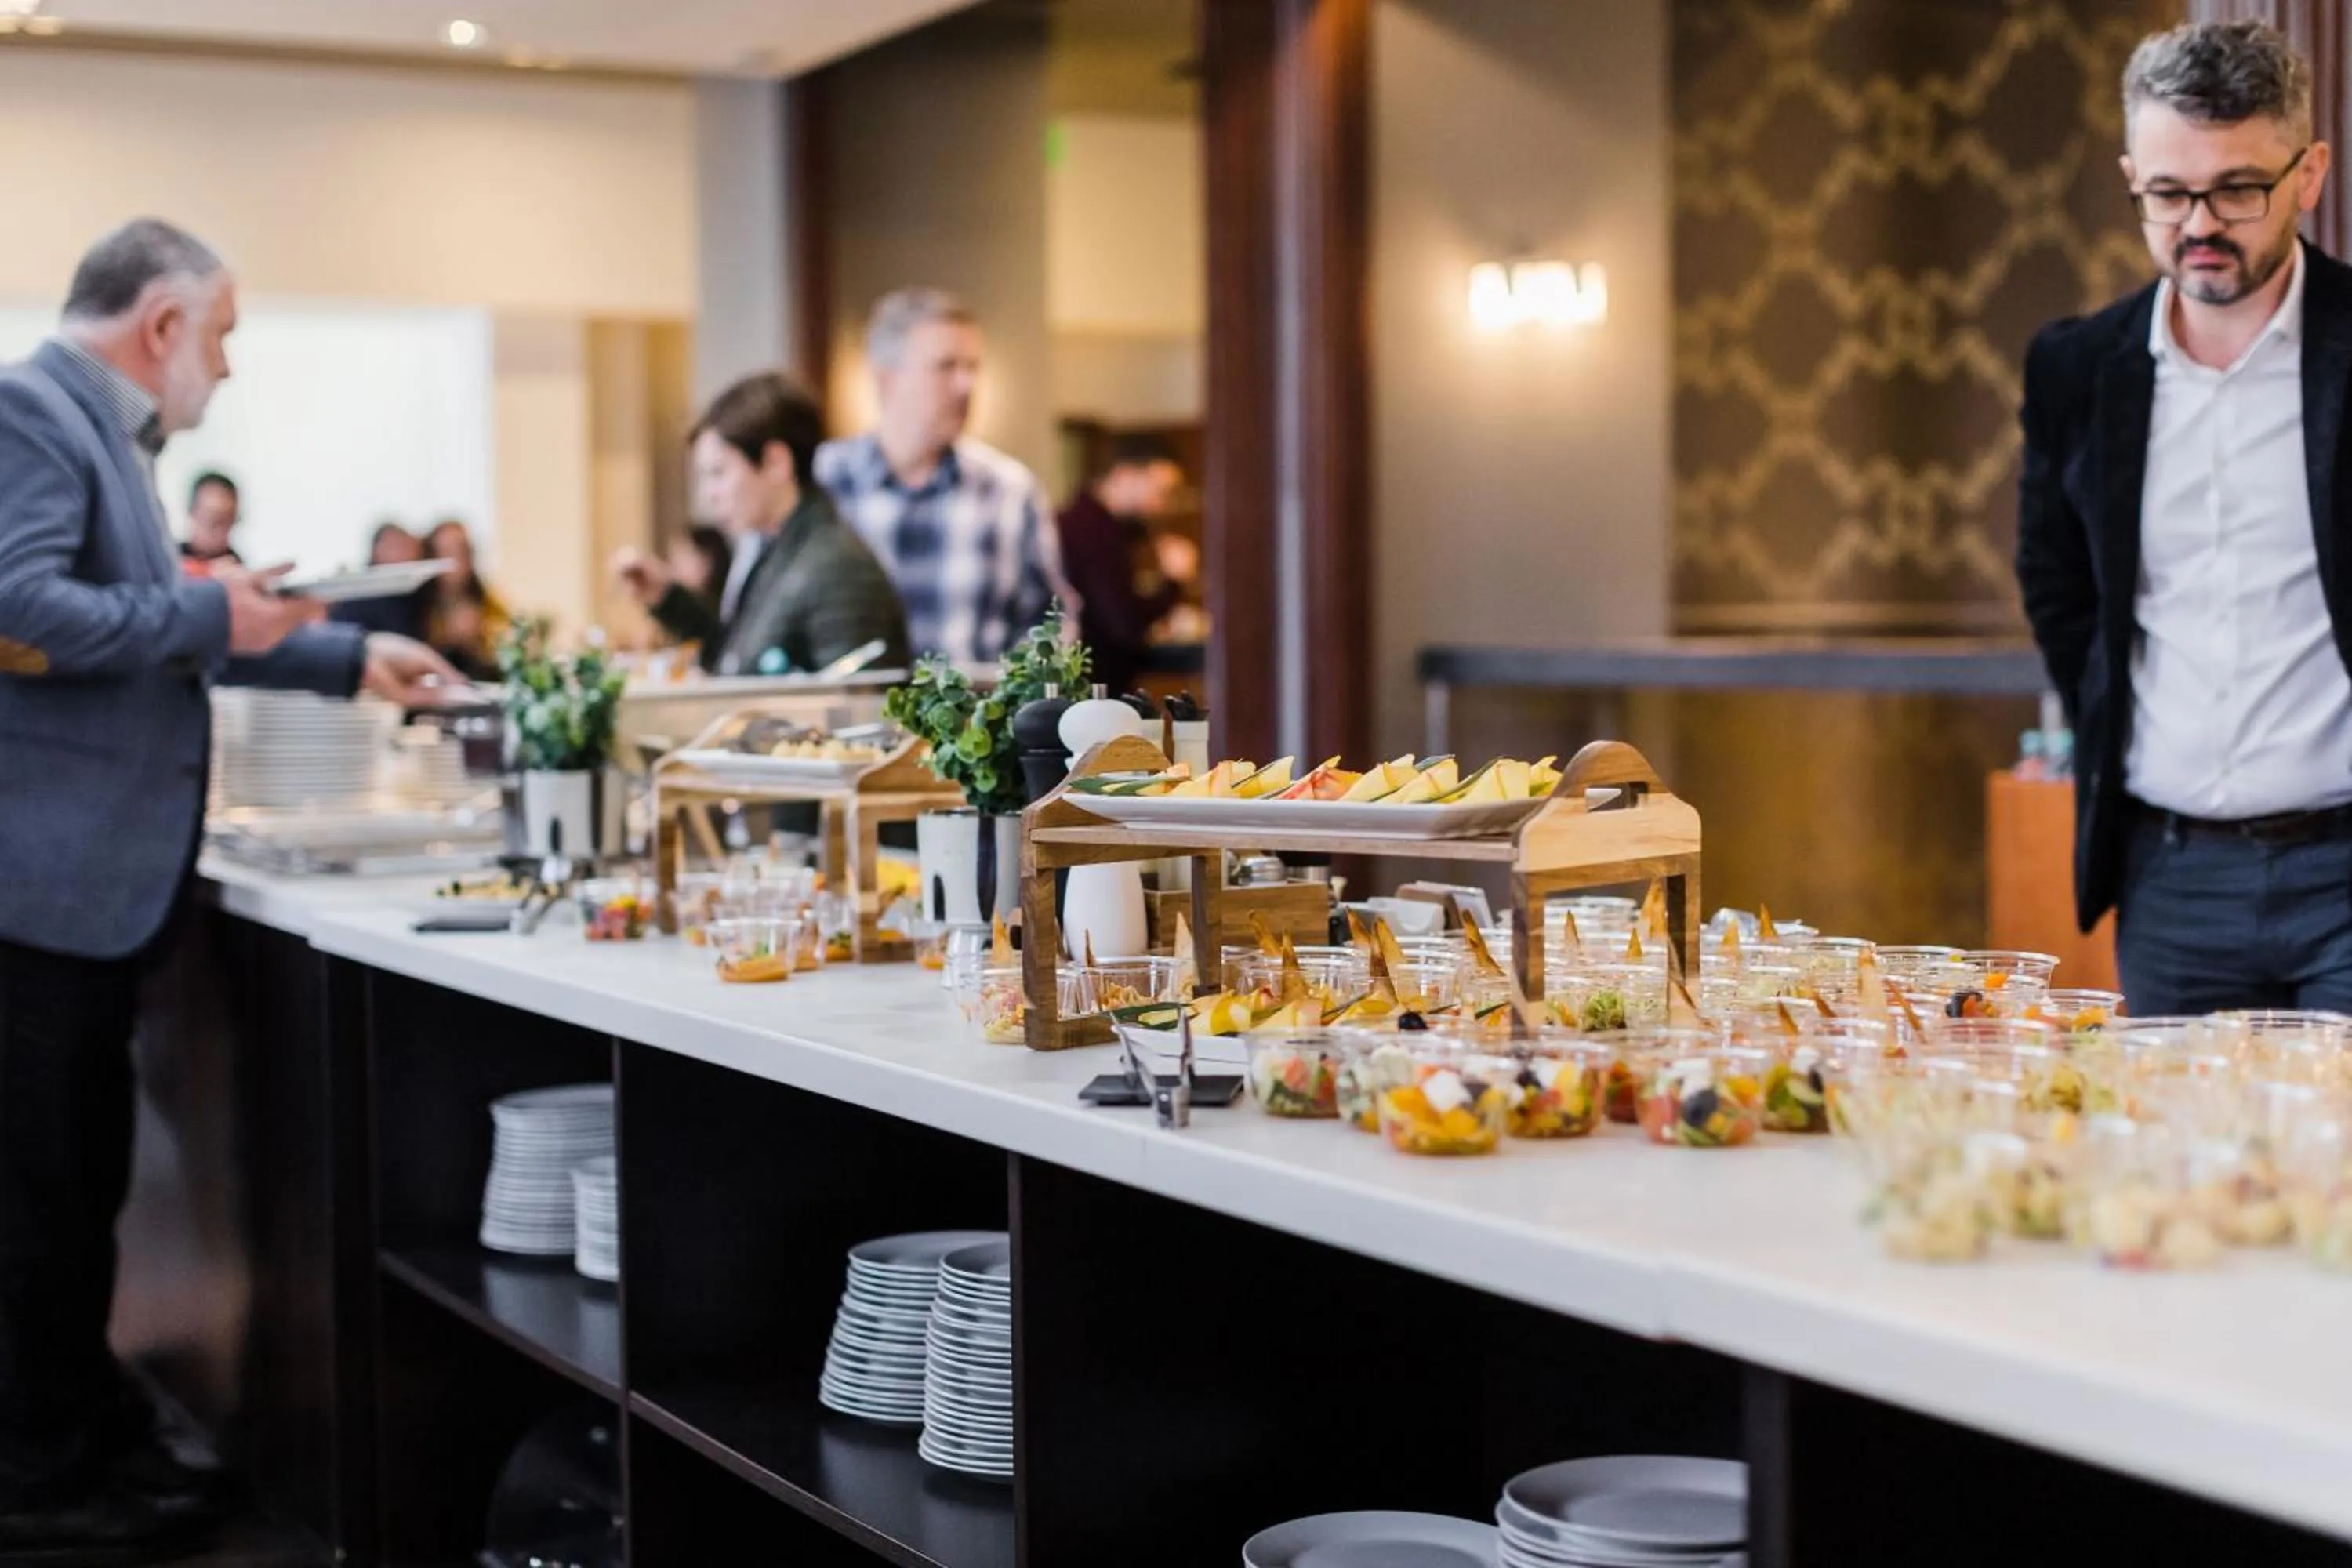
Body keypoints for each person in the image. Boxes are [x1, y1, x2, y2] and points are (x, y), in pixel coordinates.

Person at [0, 218, 452, 1561]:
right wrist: (214, 614)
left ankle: (78, 1448)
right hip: (41, 896)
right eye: (228, 335)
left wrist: (340, 655)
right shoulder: (33, 413)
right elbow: (19, 614)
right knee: (41, 1213)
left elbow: (152, 635)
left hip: (77, 892)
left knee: (72, 1202)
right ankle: (42, 1489)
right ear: (161, 326)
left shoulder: (100, 438)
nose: (231, 368)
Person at [2016, 20, 2351, 1014]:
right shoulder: (2075, 366)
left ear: (2309, 174)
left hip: (2347, 868)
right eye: (2167, 193)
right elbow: (2056, 582)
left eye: (2238, 188)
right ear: (2133, 175)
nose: (2199, 223)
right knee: (2176, 1166)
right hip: (2170, 878)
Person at [815, 289, 1074, 663]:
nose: (966, 385)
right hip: (847, 719)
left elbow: (1050, 619)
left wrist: (1022, 702)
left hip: (976, 717)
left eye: (973, 368)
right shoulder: (824, 481)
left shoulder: (1009, 489)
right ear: (887, 380)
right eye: (946, 367)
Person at [612, 370, 909, 677]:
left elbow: (858, 712)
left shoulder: (837, 567)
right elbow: (738, 660)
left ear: (776, 462)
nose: (708, 496)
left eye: (718, 472)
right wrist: (667, 598)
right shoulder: (774, 548)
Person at [1057, 434, 1199, 695]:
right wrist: (1173, 583)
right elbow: (1125, 626)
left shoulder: (1087, 523)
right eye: (1161, 493)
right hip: (1092, 692)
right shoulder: (1094, 532)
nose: (1161, 505)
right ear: (1125, 475)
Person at [423, 518, 512, 681]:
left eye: (463, 550)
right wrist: (447, 638)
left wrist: (478, 639)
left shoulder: (487, 598)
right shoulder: (420, 603)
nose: (457, 560)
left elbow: (509, 649)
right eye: (448, 551)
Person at [329, 521, 432, 641]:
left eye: (405, 547)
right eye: (394, 547)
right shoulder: (357, 596)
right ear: (376, 551)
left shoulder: (424, 595)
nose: (401, 554)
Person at [666, 524, 733, 616]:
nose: (674, 567)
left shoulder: (727, 611)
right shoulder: (677, 609)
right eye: (674, 559)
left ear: (708, 561)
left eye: (684, 557)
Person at [177, 470, 239, 569]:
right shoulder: (169, 559)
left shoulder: (238, 568)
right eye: (210, 519)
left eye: (225, 521)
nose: (219, 531)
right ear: (192, 512)